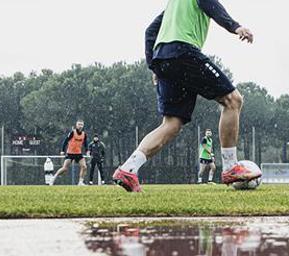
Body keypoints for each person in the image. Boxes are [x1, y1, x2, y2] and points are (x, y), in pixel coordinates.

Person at [112, 0, 257, 192]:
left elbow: (150, 32)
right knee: (233, 100)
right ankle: (231, 167)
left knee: (171, 124)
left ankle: (128, 169)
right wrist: (235, 27)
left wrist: (153, 66)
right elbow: (212, 5)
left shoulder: (174, 6)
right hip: (184, 51)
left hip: (163, 58)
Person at [50, 120, 89, 186]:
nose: (80, 126)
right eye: (79, 124)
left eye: (81, 125)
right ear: (76, 125)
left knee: (84, 167)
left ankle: (80, 182)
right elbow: (65, 141)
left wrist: (87, 151)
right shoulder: (72, 133)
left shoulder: (84, 134)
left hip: (78, 153)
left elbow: (85, 144)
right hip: (70, 153)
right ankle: (53, 178)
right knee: (65, 168)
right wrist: (62, 150)